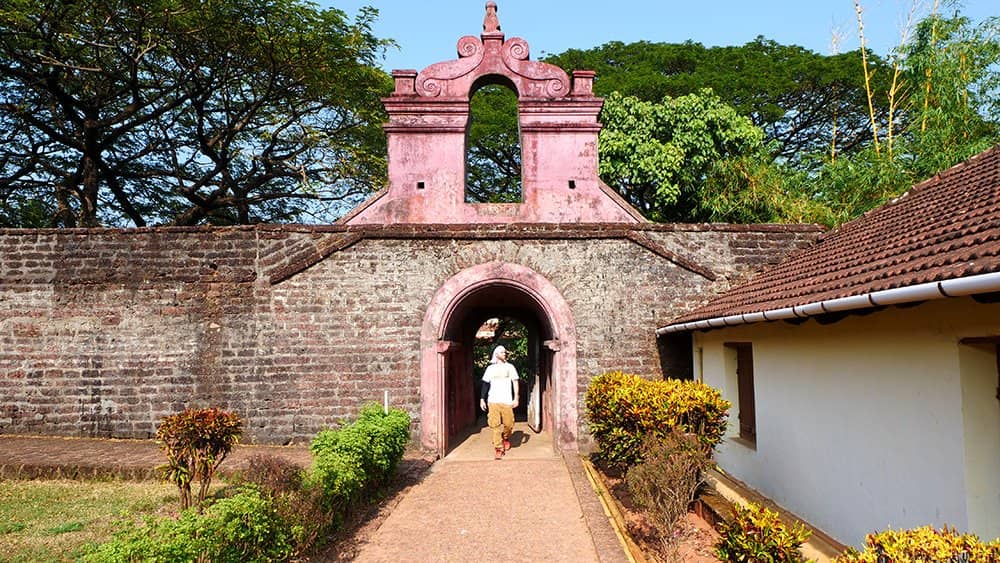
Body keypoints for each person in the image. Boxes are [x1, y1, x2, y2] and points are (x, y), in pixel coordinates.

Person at [479, 345, 519, 460]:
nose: (504, 354)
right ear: (496, 354)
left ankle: (505, 437)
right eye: (502, 352)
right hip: (493, 400)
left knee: (509, 424)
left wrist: (516, 398)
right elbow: (485, 384)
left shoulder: (510, 367)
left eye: (505, 352)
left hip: (506, 400)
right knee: (494, 425)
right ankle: (498, 448)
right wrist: (482, 399)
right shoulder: (490, 369)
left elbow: (515, 382)